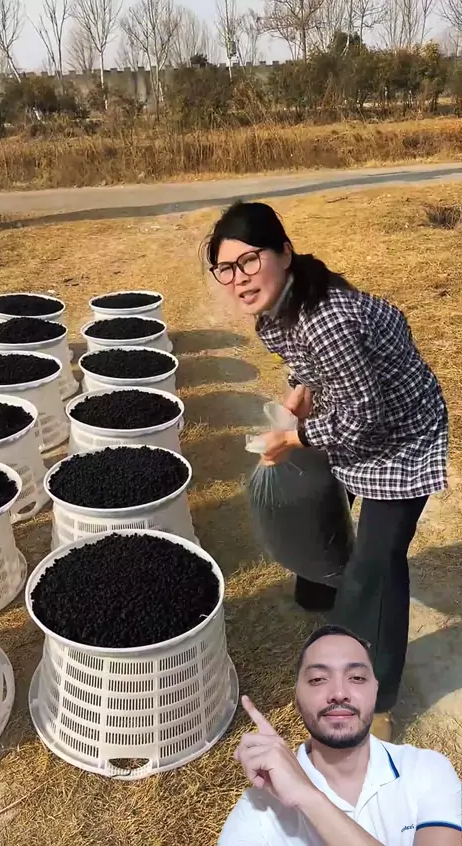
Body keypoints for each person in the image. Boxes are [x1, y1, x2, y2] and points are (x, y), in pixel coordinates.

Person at [205, 201, 448, 739]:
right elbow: (309, 368)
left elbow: (364, 418)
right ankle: (320, 584)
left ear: (284, 253)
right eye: (225, 268)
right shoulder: (276, 310)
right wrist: (297, 398)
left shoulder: (328, 318)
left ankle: (377, 698)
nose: (238, 278)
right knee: (316, 494)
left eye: (249, 261)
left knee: (376, 567)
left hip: (402, 434)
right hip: (353, 411)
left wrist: (294, 437)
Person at [219, 625, 461, 846]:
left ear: (375, 691)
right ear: (297, 699)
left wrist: (310, 798)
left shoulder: (426, 770)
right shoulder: (256, 814)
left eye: (356, 677)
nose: (338, 693)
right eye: (318, 679)